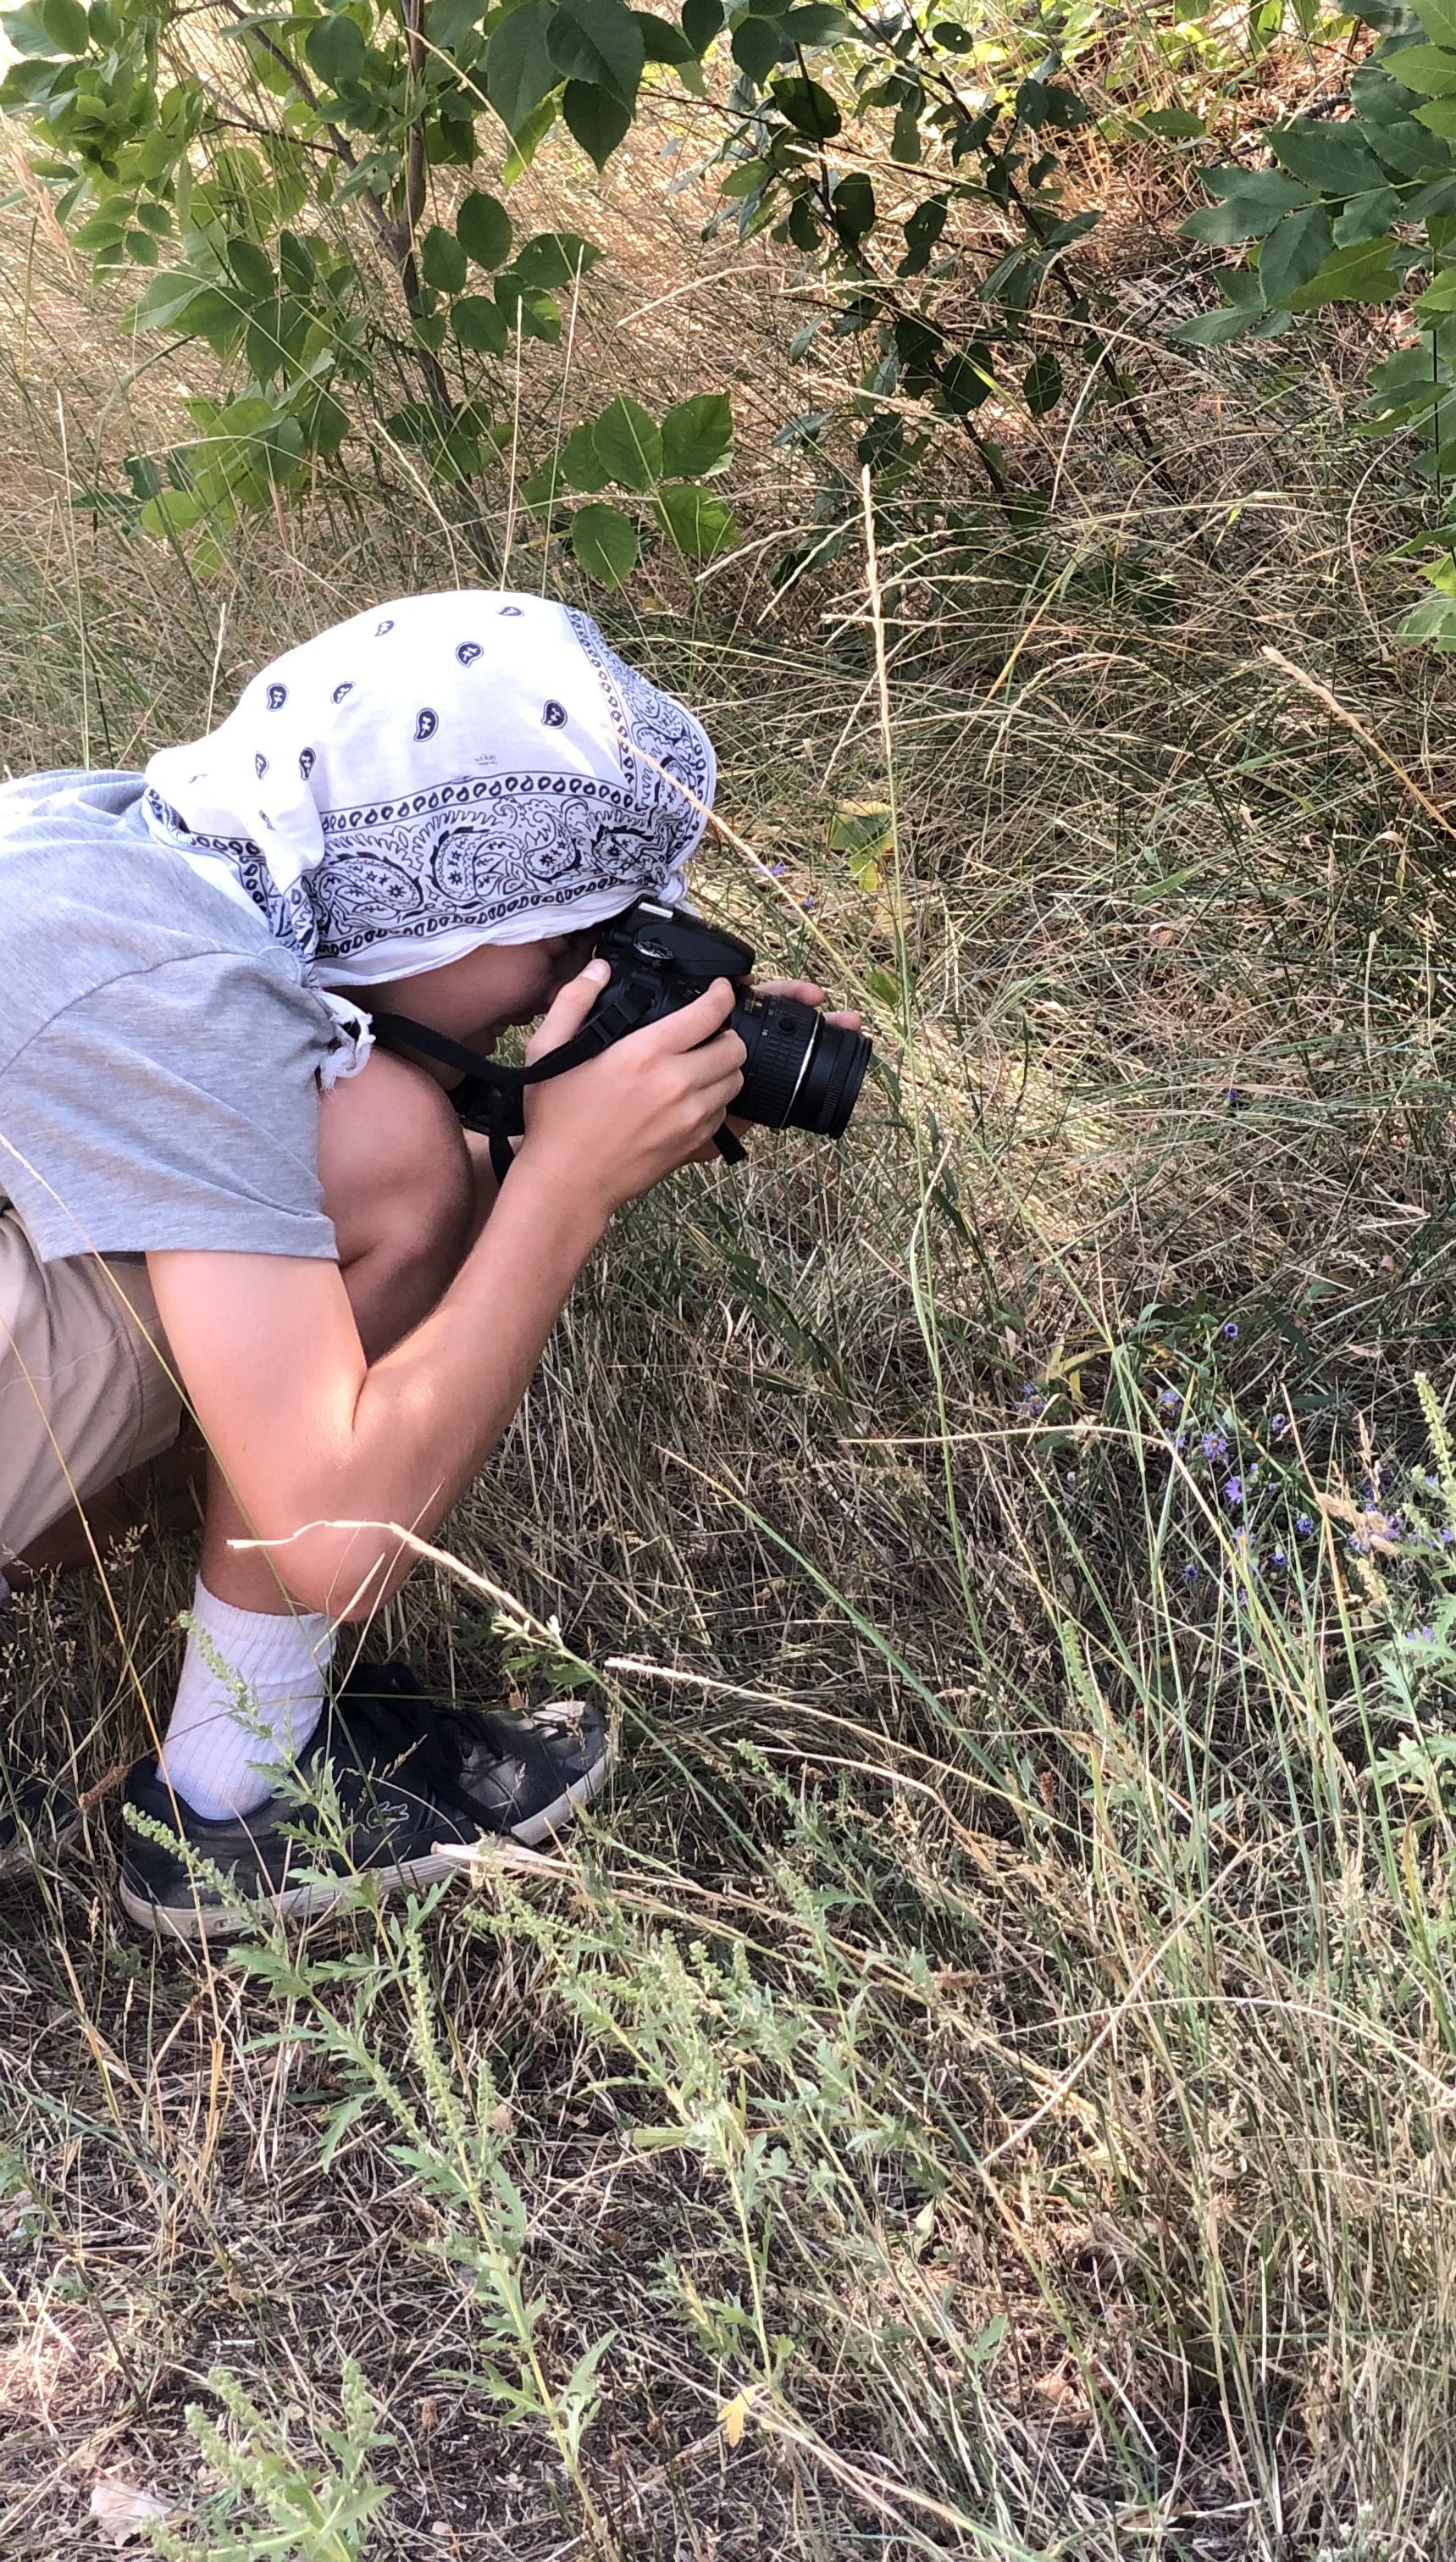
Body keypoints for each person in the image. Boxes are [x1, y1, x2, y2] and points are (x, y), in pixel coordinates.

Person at [0, 592, 835, 1938]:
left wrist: (601, 1129)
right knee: (391, 1147)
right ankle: (238, 1797)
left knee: (382, 1140)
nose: (570, 981)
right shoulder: (185, 993)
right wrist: (561, 1183)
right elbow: (335, 1537)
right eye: (568, 939)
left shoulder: (141, 847)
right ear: (446, 892)